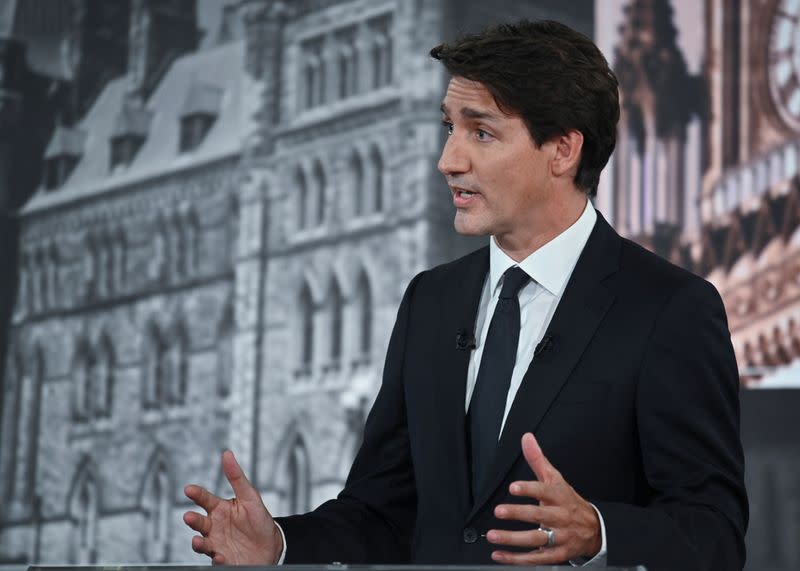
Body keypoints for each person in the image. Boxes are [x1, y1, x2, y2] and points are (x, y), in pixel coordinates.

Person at [183, 20, 748, 570]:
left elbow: (713, 532)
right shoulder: (430, 302)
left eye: (481, 132)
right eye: (448, 127)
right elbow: (381, 515)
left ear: (562, 150)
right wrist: (279, 545)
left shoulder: (669, 308)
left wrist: (599, 533)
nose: (448, 160)